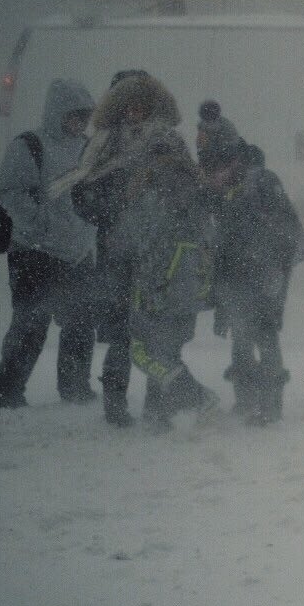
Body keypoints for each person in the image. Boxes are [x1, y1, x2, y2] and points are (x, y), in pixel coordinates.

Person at [67, 70, 181, 427]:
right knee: (120, 335)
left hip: (160, 255)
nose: (135, 111)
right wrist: (117, 202)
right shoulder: (101, 146)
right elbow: (82, 199)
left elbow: (187, 195)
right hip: (116, 254)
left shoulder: (169, 142)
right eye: (127, 104)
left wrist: (160, 199)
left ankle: (157, 406)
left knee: (156, 334)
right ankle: (115, 408)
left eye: (141, 104)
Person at [0, 79, 98, 409]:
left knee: (79, 325)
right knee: (30, 325)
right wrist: (40, 226)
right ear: (57, 113)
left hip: (77, 253)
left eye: (85, 117)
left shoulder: (89, 148)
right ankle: (6, 393)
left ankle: (75, 390)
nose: (80, 123)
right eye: (75, 115)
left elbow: (97, 195)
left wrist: (88, 232)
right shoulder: (28, 145)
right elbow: (9, 192)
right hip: (34, 252)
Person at [197, 101, 304, 426]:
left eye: (216, 169)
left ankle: (271, 406)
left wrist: (268, 267)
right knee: (242, 337)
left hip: (266, 273)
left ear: (233, 161)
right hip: (238, 276)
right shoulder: (223, 191)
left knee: (264, 334)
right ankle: (245, 401)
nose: (211, 178)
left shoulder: (261, 183)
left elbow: (287, 232)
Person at [109, 127, 219, 432]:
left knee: (142, 352)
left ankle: (197, 397)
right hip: (188, 289)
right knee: (167, 351)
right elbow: (209, 237)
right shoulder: (197, 189)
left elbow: (125, 239)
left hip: (157, 285)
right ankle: (159, 413)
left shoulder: (152, 190)